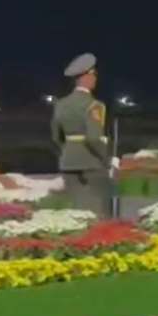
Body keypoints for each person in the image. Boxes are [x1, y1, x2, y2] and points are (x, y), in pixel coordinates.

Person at [52, 53, 116, 217]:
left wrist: (69, 151)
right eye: (93, 75)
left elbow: (56, 136)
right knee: (99, 210)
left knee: (76, 210)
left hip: (68, 162)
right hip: (92, 163)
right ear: (86, 77)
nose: (95, 80)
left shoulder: (61, 104)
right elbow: (93, 138)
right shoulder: (94, 105)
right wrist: (107, 159)